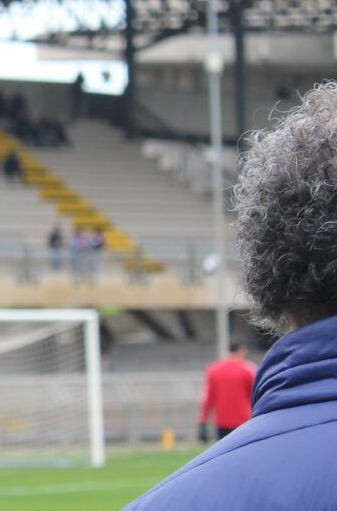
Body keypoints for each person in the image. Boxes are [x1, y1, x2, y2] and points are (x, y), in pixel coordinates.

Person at [127, 82, 337, 509]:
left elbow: (216, 398)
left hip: (247, 438)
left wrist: (205, 424)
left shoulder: (166, 503)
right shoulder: (240, 370)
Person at [197, 343, 255, 443]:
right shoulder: (248, 369)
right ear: (242, 350)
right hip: (243, 420)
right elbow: (255, 395)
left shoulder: (214, 369)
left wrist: (203, 421)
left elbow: (208, 397)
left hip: (222, 421)